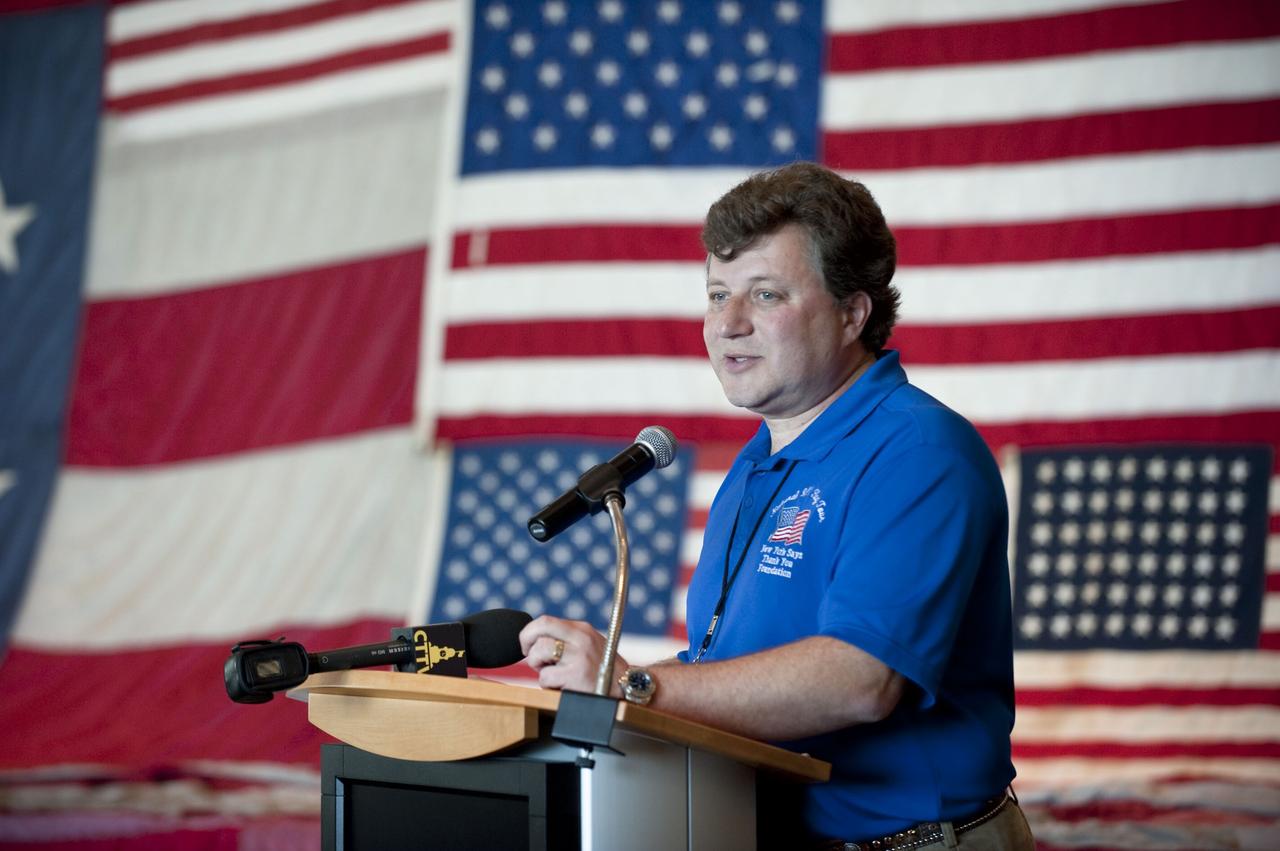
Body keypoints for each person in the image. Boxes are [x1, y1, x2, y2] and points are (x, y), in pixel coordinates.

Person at [519, 162, 1034, 849]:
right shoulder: (759, 462)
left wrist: (628, 683)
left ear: (854, 313)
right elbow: (724, 667)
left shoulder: (918, 452)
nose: (728, 324)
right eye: (716, 294)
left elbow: (859, 680)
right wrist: (606, 686)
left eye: (765, 294)